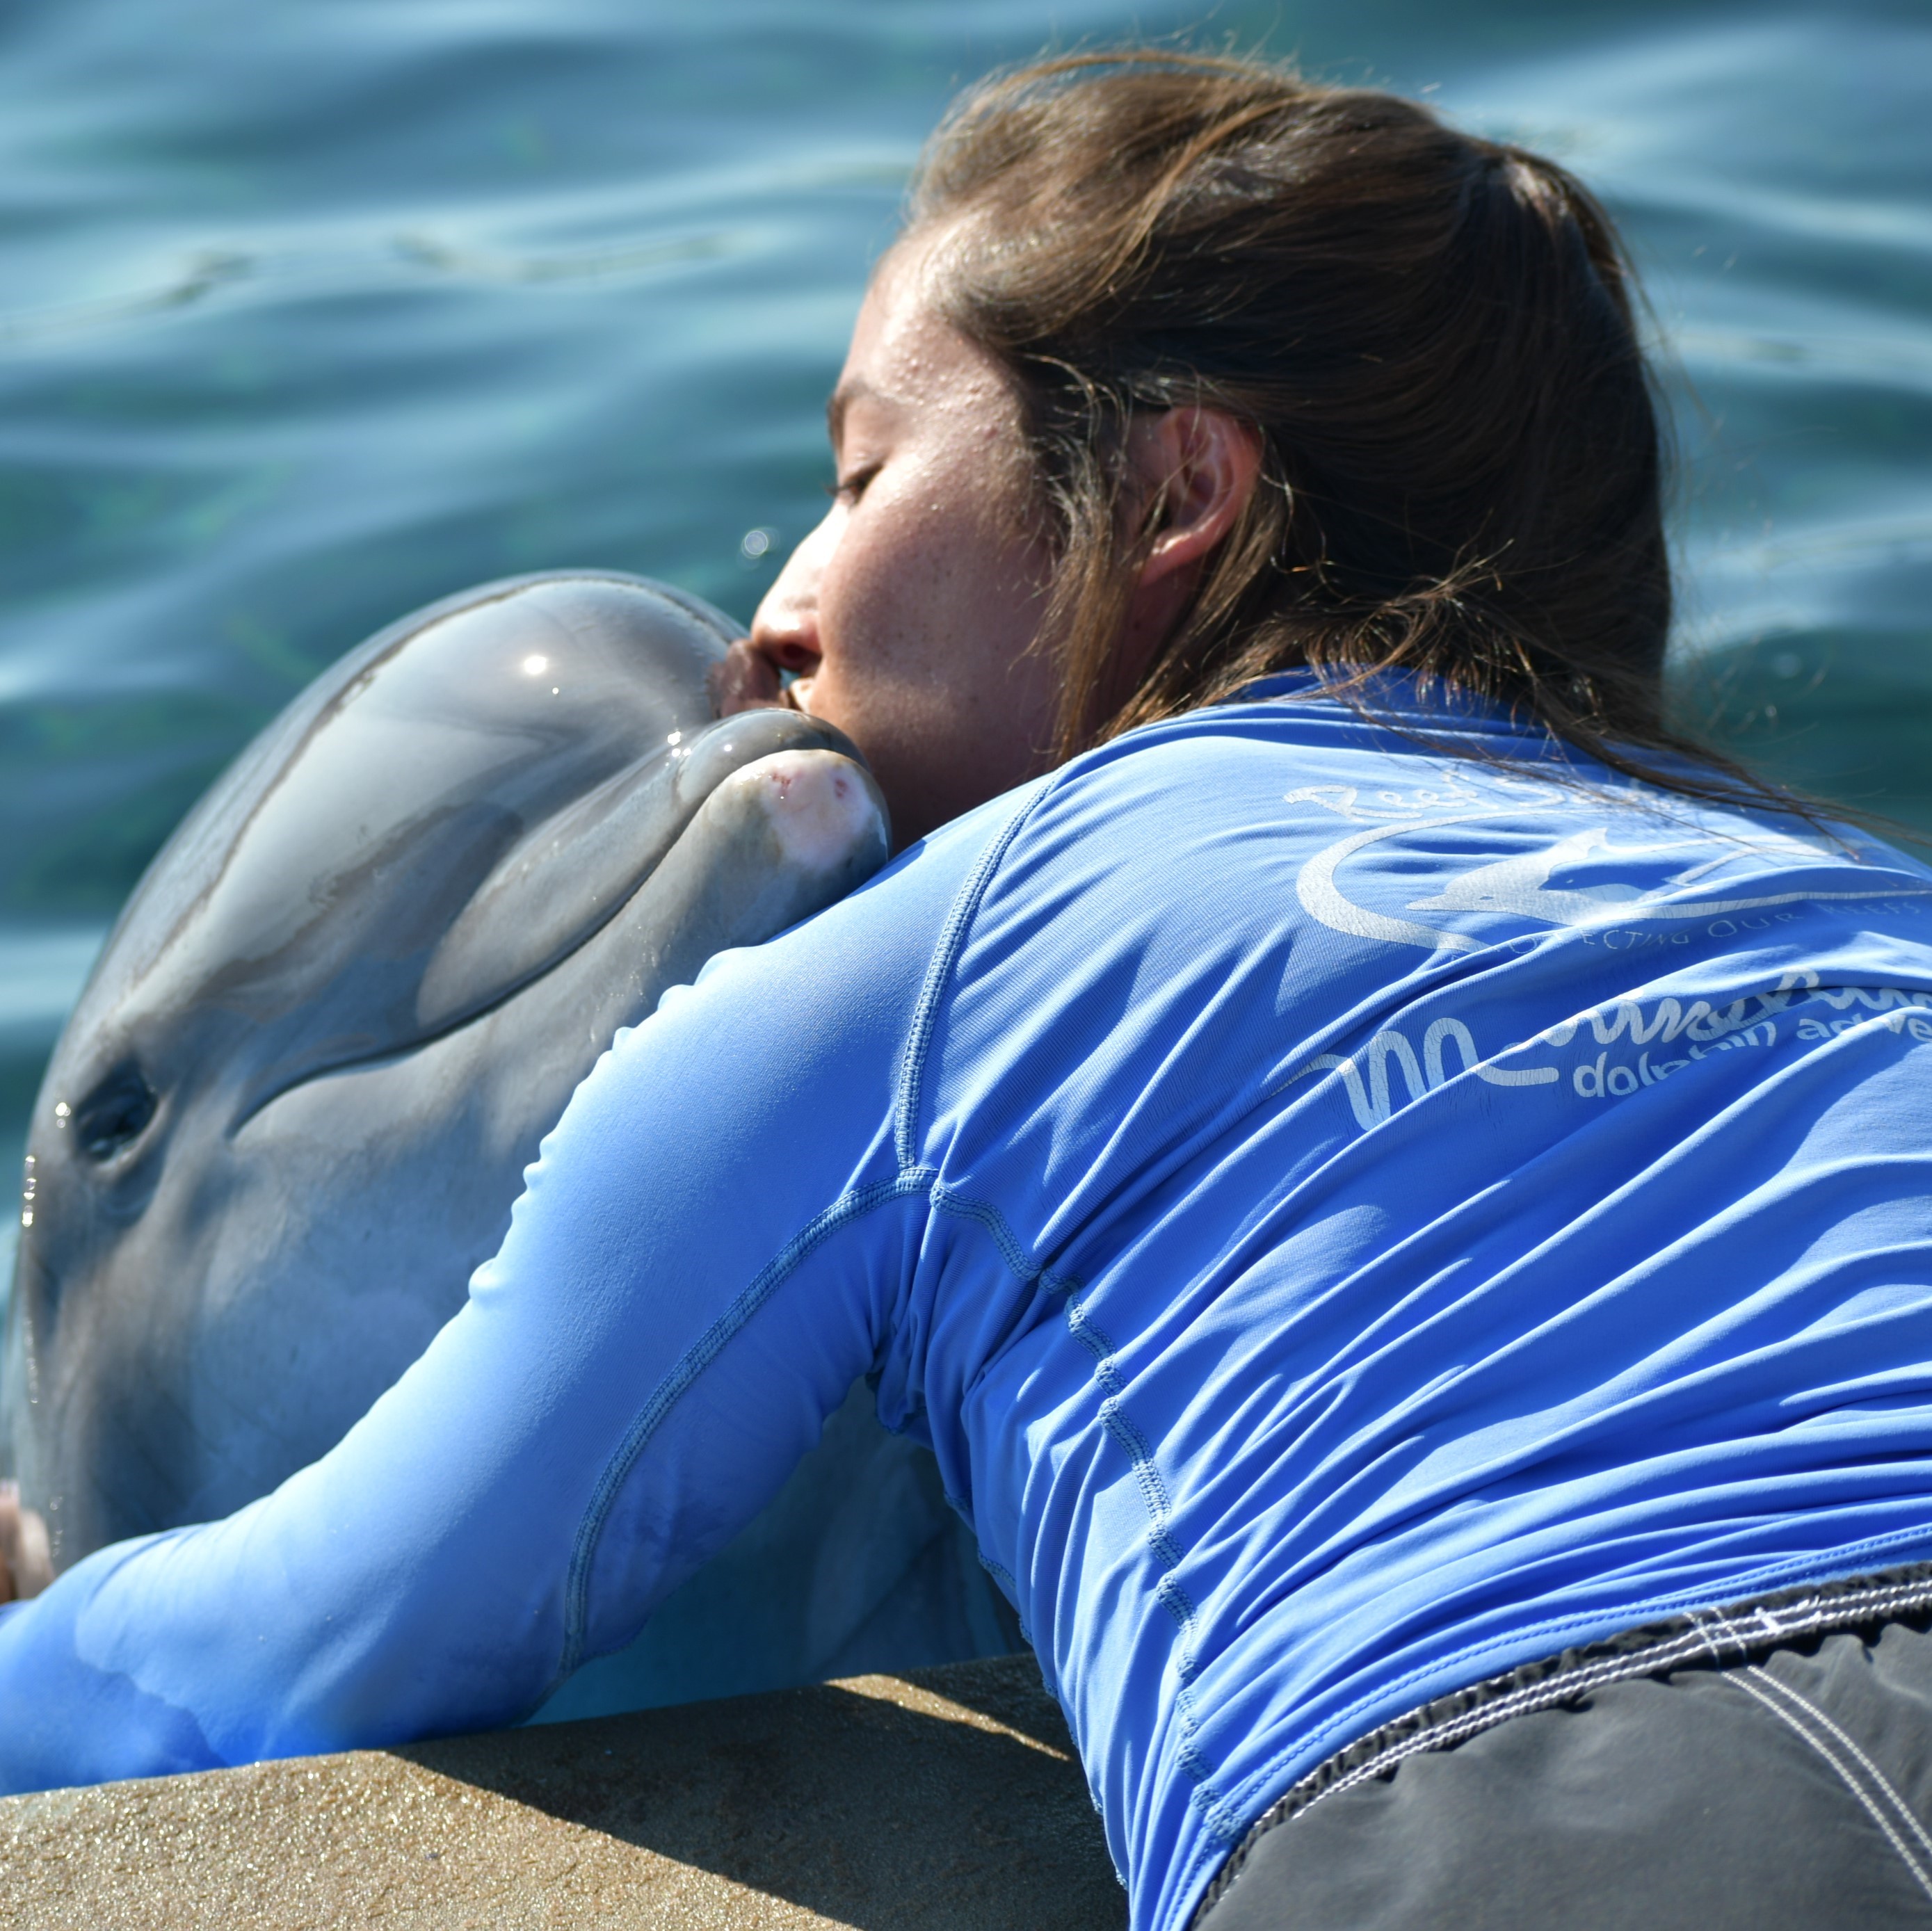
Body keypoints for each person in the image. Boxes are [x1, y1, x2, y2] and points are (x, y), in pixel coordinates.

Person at [7, 47, 1932, 1930]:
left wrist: (47, 1627)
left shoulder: (932, 963)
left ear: (1178, 489)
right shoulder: (1858, 896)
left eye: (858, 472)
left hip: (1551, 1797)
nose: (771, 614)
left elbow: (314, 1645)